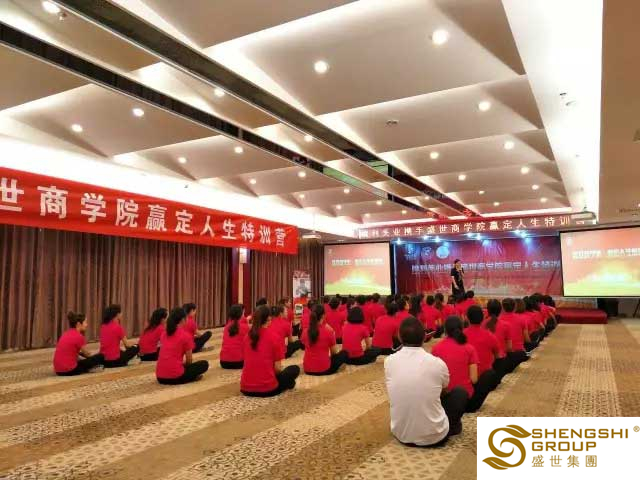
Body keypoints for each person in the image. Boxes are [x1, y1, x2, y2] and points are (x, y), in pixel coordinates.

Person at [385, 317, 468, 446]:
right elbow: (444, 390)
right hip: (435, 437)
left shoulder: (389, 361)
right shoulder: (437, 363)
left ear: (399, 337)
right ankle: (451, 426)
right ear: (424, 337)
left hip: (401, 433)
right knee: (460, 393)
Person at [431, 316, 494, 413]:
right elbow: (474, 379)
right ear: (462, 328)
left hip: (443, 401)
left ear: (445, 330)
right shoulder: (469, 348)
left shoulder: (436, 349)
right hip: (465, 401)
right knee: (489, 374)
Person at [240, 305, 300, 397]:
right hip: (267, 389)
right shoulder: (274, 337)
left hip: (245, 388)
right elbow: (277, 369)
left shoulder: (247, 337)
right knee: (294, 369)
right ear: (269, 318)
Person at [156, 307, 209, 384]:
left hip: (160, 377)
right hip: (175, 377)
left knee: (180, 364)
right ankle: (190, 377)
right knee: (204, 364)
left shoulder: (164, 334)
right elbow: (189, 361)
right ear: (183, 320)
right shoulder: (185, 336)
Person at [302, 304, 348, 375]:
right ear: (323, 316)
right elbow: (334, 353)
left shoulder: (305, 331)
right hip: (324, 369)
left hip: (307, 369)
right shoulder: (329, 332)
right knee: (344, 353)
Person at [53, 312, 104, 376]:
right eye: (85, 322)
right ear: (78, 324)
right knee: (101, 356)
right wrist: (94, 357)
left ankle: (89, 367)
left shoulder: (65, 334)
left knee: (80, 355)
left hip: (58, 371)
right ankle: (90, 368)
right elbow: (87, 354)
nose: (87, 324)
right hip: (70, 370)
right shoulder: (79, 336)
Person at [465, 306, 500, 389]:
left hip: (467, 378)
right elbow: (497, 356)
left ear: (467, 318)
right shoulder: (490, 335)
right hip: (486, 378)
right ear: (483, 318)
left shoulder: (461, 335)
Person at [484, 299, 516, 377]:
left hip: (486, 360)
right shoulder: (506, 325)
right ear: (500, 310)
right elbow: (509, 347)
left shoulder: (482, 324)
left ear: (488, 310)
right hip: (500, 360)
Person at [500, 298, 529, 366]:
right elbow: (526, 339)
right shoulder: (522, 319)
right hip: (519, 353)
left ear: (502, 308)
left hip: (503, 355)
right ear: (515, 307)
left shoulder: (498, 320)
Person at [220, 304, 250, 369]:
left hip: (224, 362)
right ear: (241, 314)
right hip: (239, 362)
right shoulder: (245, 327)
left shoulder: (226, 327)